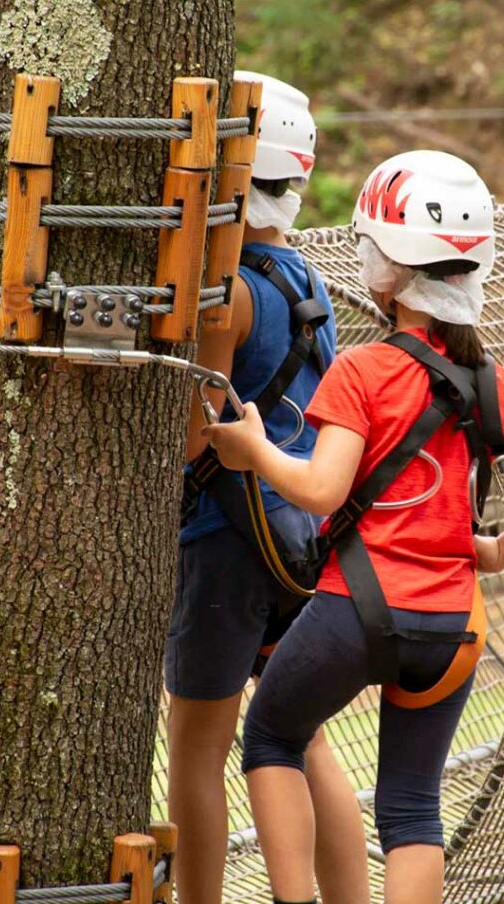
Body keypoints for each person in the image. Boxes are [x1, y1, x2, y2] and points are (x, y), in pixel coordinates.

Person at [206, 150, 504, 904]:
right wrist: (493, 553)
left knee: (270, 737)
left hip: (352, 614)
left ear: (388, 268)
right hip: (454, 627)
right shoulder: (493, 383)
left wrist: (254, 450)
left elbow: (323, 491)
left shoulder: (362, 372)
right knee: (412, 810)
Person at [165, 72, 369, 904]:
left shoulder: (228, 297)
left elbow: (193, 426)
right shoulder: (302, 275)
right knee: (296, 735)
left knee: (197, 750)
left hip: (222, 547)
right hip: (293, 544)